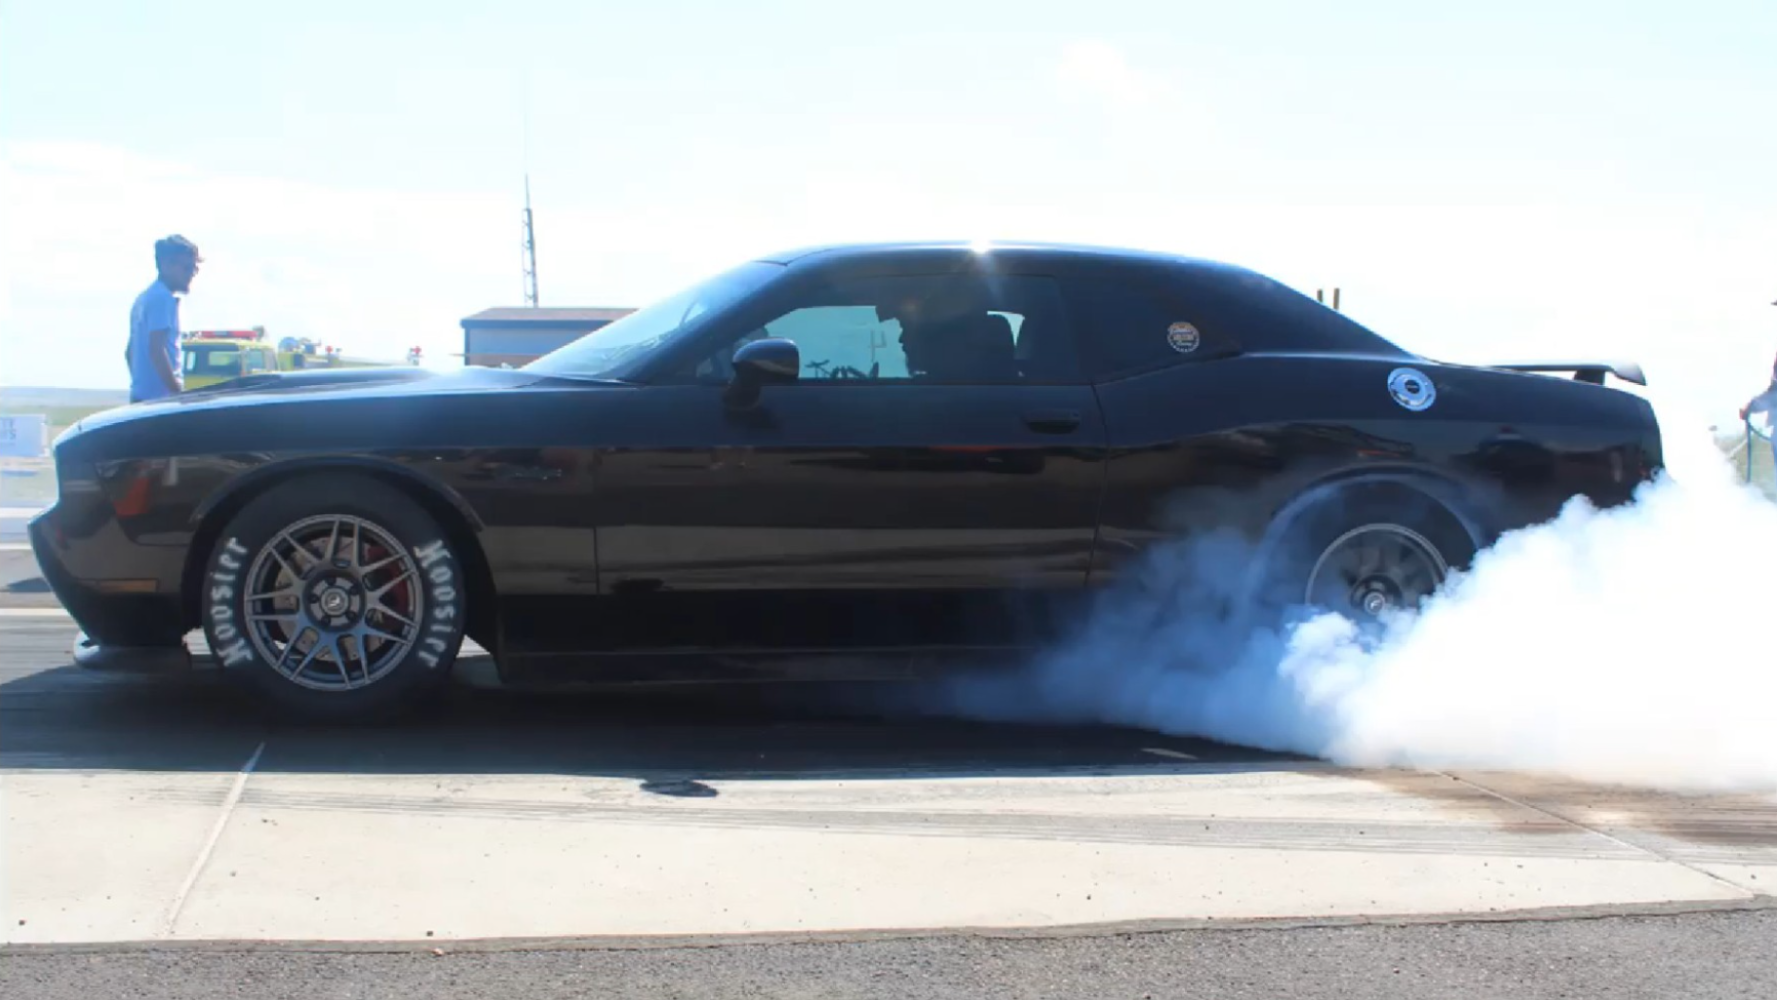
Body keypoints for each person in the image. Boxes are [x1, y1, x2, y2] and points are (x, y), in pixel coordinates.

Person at [126, 235, 202, 403]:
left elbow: (129, 353)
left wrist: (141, 387)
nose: (191, 274)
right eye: (186, 268)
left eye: (194, 269)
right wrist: (178, 394)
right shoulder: (162, 298)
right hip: (160, 401)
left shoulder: (143, 298)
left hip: (141, 398)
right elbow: (157, 350)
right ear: (166, 265)